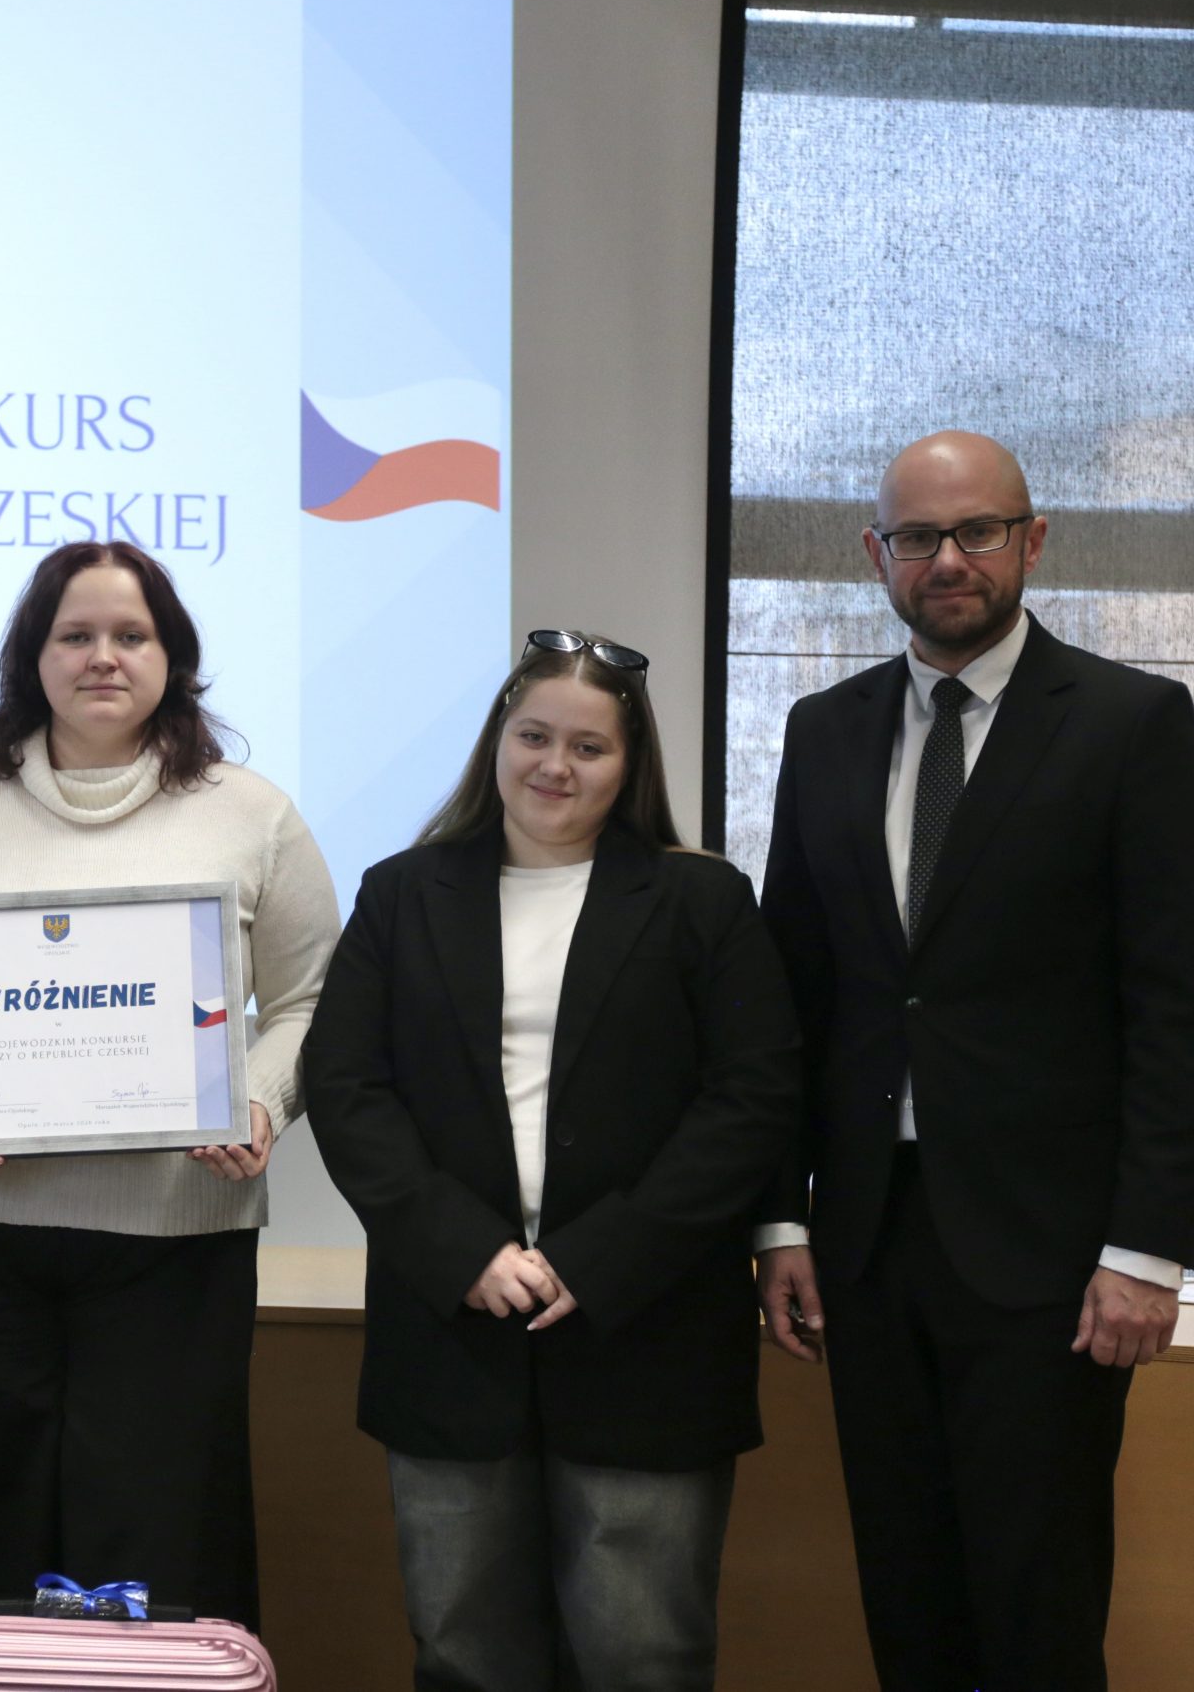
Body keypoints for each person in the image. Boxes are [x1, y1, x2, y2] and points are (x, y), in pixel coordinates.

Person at [756, 431, 1194, 1691]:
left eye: (976, 531)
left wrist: (1146, 1251)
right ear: (876, 556)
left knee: (1036, 1602)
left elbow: (1176, 1011)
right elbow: (791, 997)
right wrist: (778, 1219)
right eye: (917, 537)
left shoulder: (1130, 723)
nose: (948, 560)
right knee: (905, 1591)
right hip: (866, 1242)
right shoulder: (824, 730)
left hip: (1054, 1256)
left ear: (1033, 540)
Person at [303, 631, 801, 1691]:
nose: (554, 766)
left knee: (642, 1658)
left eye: (589, 746)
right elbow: (347, 1090)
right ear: (497, 740)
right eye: (533, 736)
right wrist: (462, 1249)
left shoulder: (703, 901)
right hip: (452, 1332)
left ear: (630, 765)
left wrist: (601, 1255)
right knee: (462, 1653)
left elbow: (751, 1099)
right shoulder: (401, 893)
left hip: (648, 1333)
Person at [0, 540, 340, 1627]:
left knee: (159, 1547)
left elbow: (315, 1000)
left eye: (131, 635)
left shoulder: (253, 813)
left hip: (174, 1250)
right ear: (30, 657)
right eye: (75, 635)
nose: (103, 657)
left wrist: (258, 1098)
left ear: (171, 655)